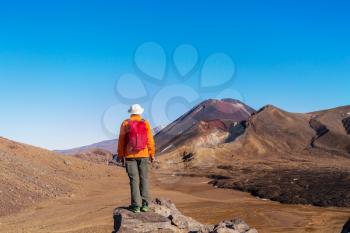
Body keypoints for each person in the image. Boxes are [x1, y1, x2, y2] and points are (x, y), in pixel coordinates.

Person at [117, 104, 155, 213]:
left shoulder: (125, 123)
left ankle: (136, 206)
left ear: (131, 112)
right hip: (144, 155)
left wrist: (120, 155)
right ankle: (145, 204)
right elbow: (150, 140)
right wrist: (152, 154)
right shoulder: (145, 123)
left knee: (134, 180)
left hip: (130, 156)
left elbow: (121, 141)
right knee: (144, 179)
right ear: (140, 112)